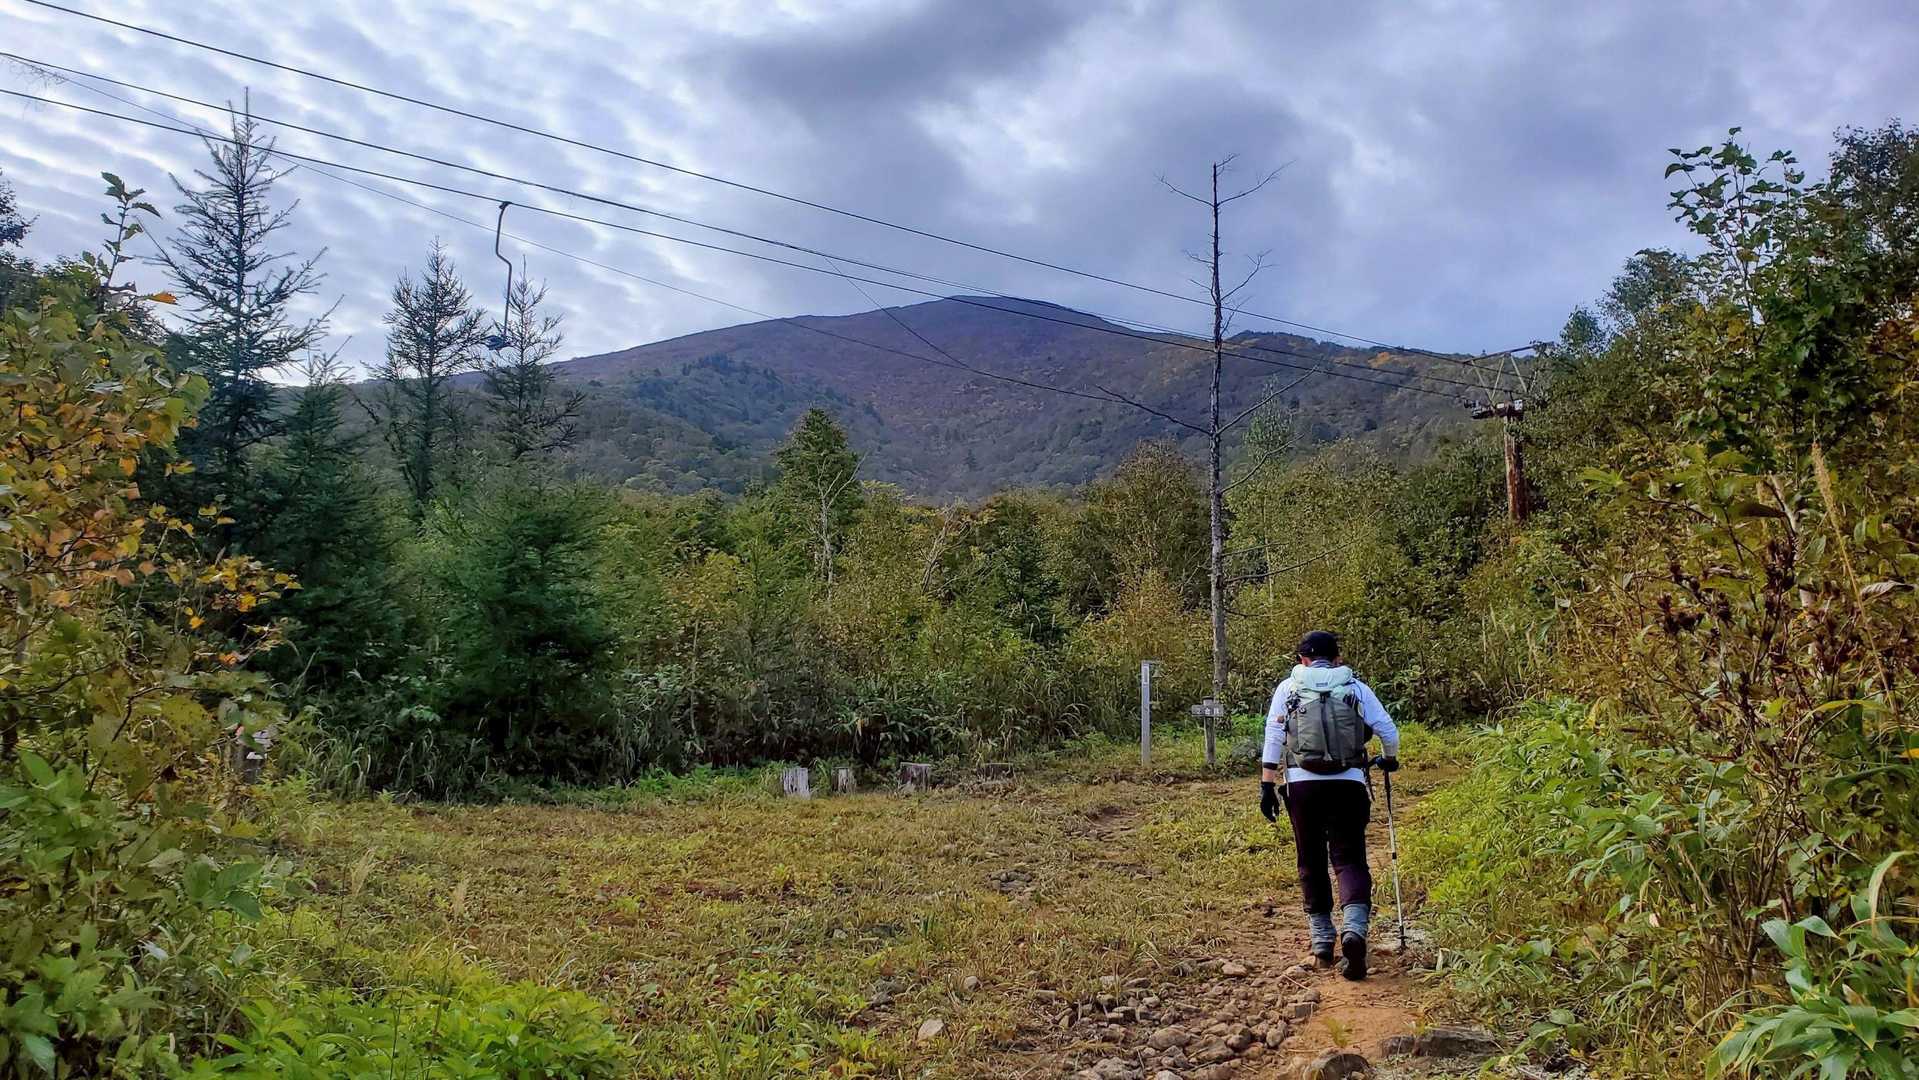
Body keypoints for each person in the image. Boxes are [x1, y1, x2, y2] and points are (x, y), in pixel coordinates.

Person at [1258, 629, 1399, 980]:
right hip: (1348, 783)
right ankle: (1354, 930)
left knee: (1310, 859)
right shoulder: (1356, 688)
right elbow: (1388, 730)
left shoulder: (1288, 688)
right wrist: (1388, 759)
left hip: (1302, 786)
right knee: (1350, 859)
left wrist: (1267, 785)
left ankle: (1322, 941)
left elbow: (1274, 736)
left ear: (1302, 660)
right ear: (1337, 659)